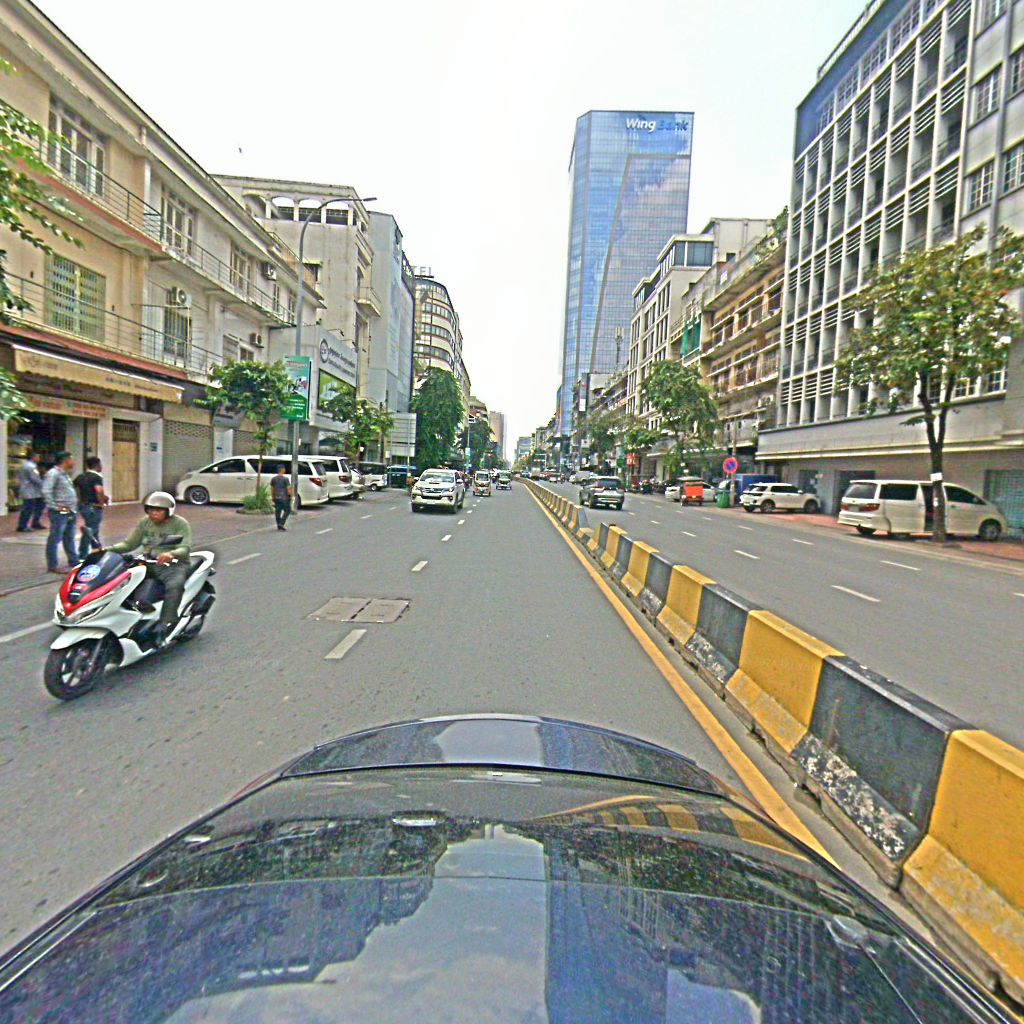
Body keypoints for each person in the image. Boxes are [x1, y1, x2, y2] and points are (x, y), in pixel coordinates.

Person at [108, 492, 191, 646]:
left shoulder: (180, 524)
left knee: (174, 585)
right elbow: (129, 544)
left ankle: (165, 624)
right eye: (150, 510)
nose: (153, 513)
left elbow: (184, 548)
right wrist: (107, 550)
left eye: (158, 510)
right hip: (148, 562)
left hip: (174, 564)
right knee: (121, 581)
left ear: (168, 511)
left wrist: (171, 554)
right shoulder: (145, 522)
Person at [42, 452, 78, 574]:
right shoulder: (53, 473)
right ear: (65, 460)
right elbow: (46, 491)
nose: (73, 462)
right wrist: (54, 506)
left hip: (70, 509)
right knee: (55, 536)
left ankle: (73, 560)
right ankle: (53, 564)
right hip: (60, 510)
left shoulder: (65, 474)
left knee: (69, 536)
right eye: (72, 459)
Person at [75, 456, 108, 560]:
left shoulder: (81, 476)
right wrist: (101, 503)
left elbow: (75, 489)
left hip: (83, 505)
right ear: (97, 465)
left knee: (93, 528)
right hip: (93, 506)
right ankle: (83, 553)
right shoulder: (96, 477)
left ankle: (97, 549)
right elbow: (99, 490)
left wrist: (80, 499)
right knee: (91, 530)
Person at [16, 452, 45, 531]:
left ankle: (34, 523)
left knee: (36, 506)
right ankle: (23, 525)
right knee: (28, 508)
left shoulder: (26, 465)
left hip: (30, 490)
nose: (39, 459)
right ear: (33, 457)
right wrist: (44, 485)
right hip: (30, 490)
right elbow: (35, 478)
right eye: (38, 457)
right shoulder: (31, 467)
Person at [270, 464, 292, 530]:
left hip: (276, 497)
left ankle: (278, 524)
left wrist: (273, 497)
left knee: (278, 511)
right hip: (284, 497)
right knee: (288, 510)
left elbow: (272, 489)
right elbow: (288, 489)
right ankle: (281, 523)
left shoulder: (273, 479)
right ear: (282, 470)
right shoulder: (285, 479)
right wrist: (290, 496)